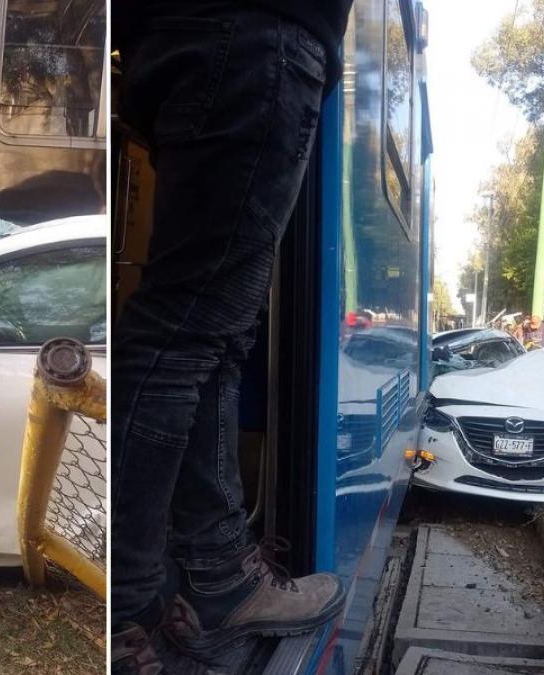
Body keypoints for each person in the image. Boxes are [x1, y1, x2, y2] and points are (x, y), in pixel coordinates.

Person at [111, 1, 352, 671]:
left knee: (207, 337)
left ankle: (220, 578)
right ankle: (126, 615)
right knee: (182, 336)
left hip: (223, 37)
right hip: (256, 35)